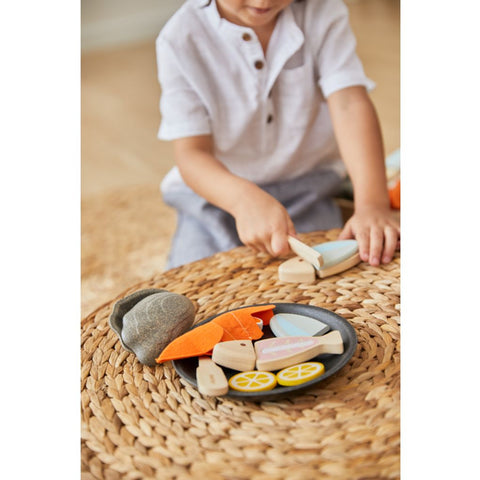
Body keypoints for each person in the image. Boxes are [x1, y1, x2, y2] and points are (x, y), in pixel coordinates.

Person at [155, 0, 400, 269]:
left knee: (325, 276)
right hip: (214, 198)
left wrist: (372, 204)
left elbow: (349, 104)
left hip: (308, 187)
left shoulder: (323, 11)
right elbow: (191, 153)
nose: (264, 2)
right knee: (195, 281)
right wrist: (242, 199)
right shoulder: (179, 40)